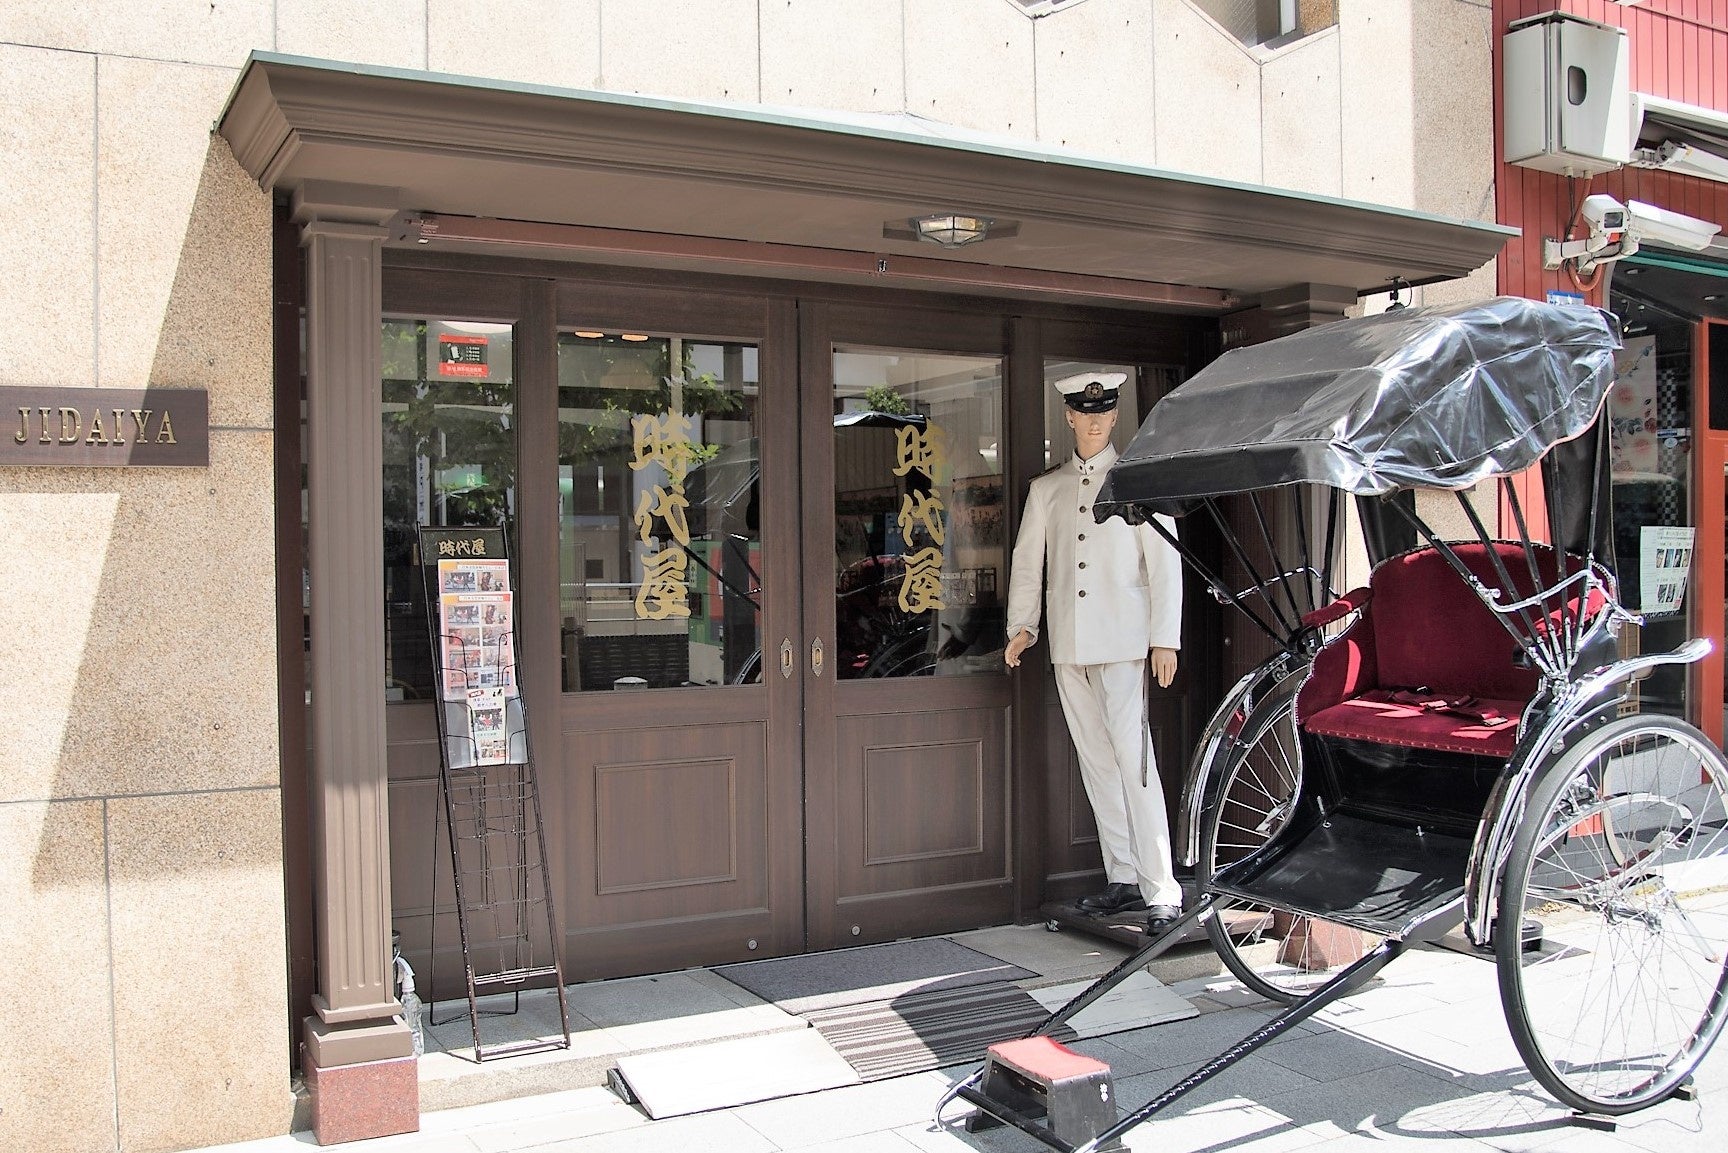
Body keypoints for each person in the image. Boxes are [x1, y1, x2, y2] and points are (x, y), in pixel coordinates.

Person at [1004, 371, 1185, 934]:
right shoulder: (1048, 489)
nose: (1094, 422)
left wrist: (1165, 637)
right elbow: (1028, 563)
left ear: (1114, 416)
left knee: (1135, 763)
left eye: (1103, 412)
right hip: (1070, 644)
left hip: (1125, 642)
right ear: (1069, 417)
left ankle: (1162, 889)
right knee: (1097, 762)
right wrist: (1023, 626)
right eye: (1085, 413)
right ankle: (1123, 876)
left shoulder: (1139, 481)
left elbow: (1165, 563)